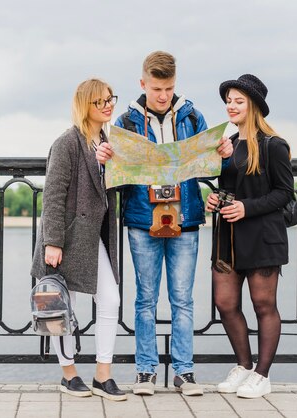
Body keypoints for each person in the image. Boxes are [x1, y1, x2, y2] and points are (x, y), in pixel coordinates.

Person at [96, 51, 233, 396]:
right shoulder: (125, 122)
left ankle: (184, 373)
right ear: (143, 83)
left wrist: (224, 155)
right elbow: (114, 177)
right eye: (157, 88)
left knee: (183, 299)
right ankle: (145, 372)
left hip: (186, 218)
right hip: (143, 219)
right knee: (145, 298)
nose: (163, 95)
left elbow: (212, 169)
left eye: (169, 88)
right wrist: (106, 160)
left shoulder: (193, 117)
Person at [30, 78, 127, 401]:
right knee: (59, 306)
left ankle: (103, 374)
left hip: (93, 237)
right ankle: (68, 373)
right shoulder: (67, 142)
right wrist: (52, 242)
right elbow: (53, 195)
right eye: (100, 102)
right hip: (66, 238)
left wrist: (107, 166)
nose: (108, 105)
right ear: (85, 106)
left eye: (110, 99)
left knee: (110, 298)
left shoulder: (104, 143)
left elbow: (107, 193)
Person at [205, 74, 294, 398]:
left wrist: (246, 208)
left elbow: (284, 193)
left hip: (262, 235)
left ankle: (262, 374)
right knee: (225, 303)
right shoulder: (228, 145)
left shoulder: (274, 145)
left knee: (263, 305)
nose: (231, 105)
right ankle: (243, 366)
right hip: (228, 237)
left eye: (238, 101)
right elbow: (230, 187)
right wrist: (216, 199)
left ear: (253, 106)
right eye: (228, 100)